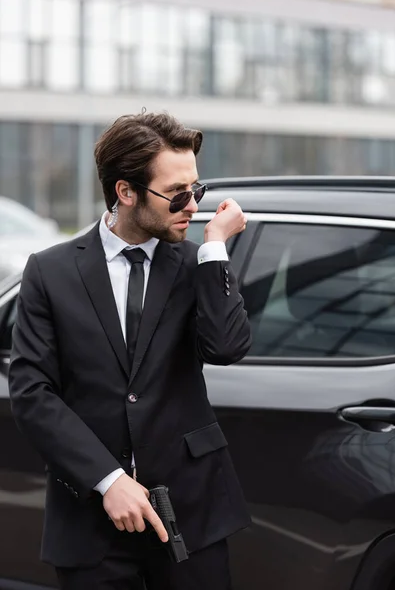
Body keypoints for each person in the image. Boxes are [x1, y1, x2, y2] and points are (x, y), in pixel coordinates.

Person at [8, 112, 252, 590]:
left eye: (197, 189)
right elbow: (32, 393)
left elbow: (226, 348)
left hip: (192, 512)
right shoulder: (49, 271)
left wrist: (216, 249)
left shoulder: (196, 262)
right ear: (126, 192)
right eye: (177, 193)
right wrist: (108, 479)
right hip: (91, 519)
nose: (192, 205)